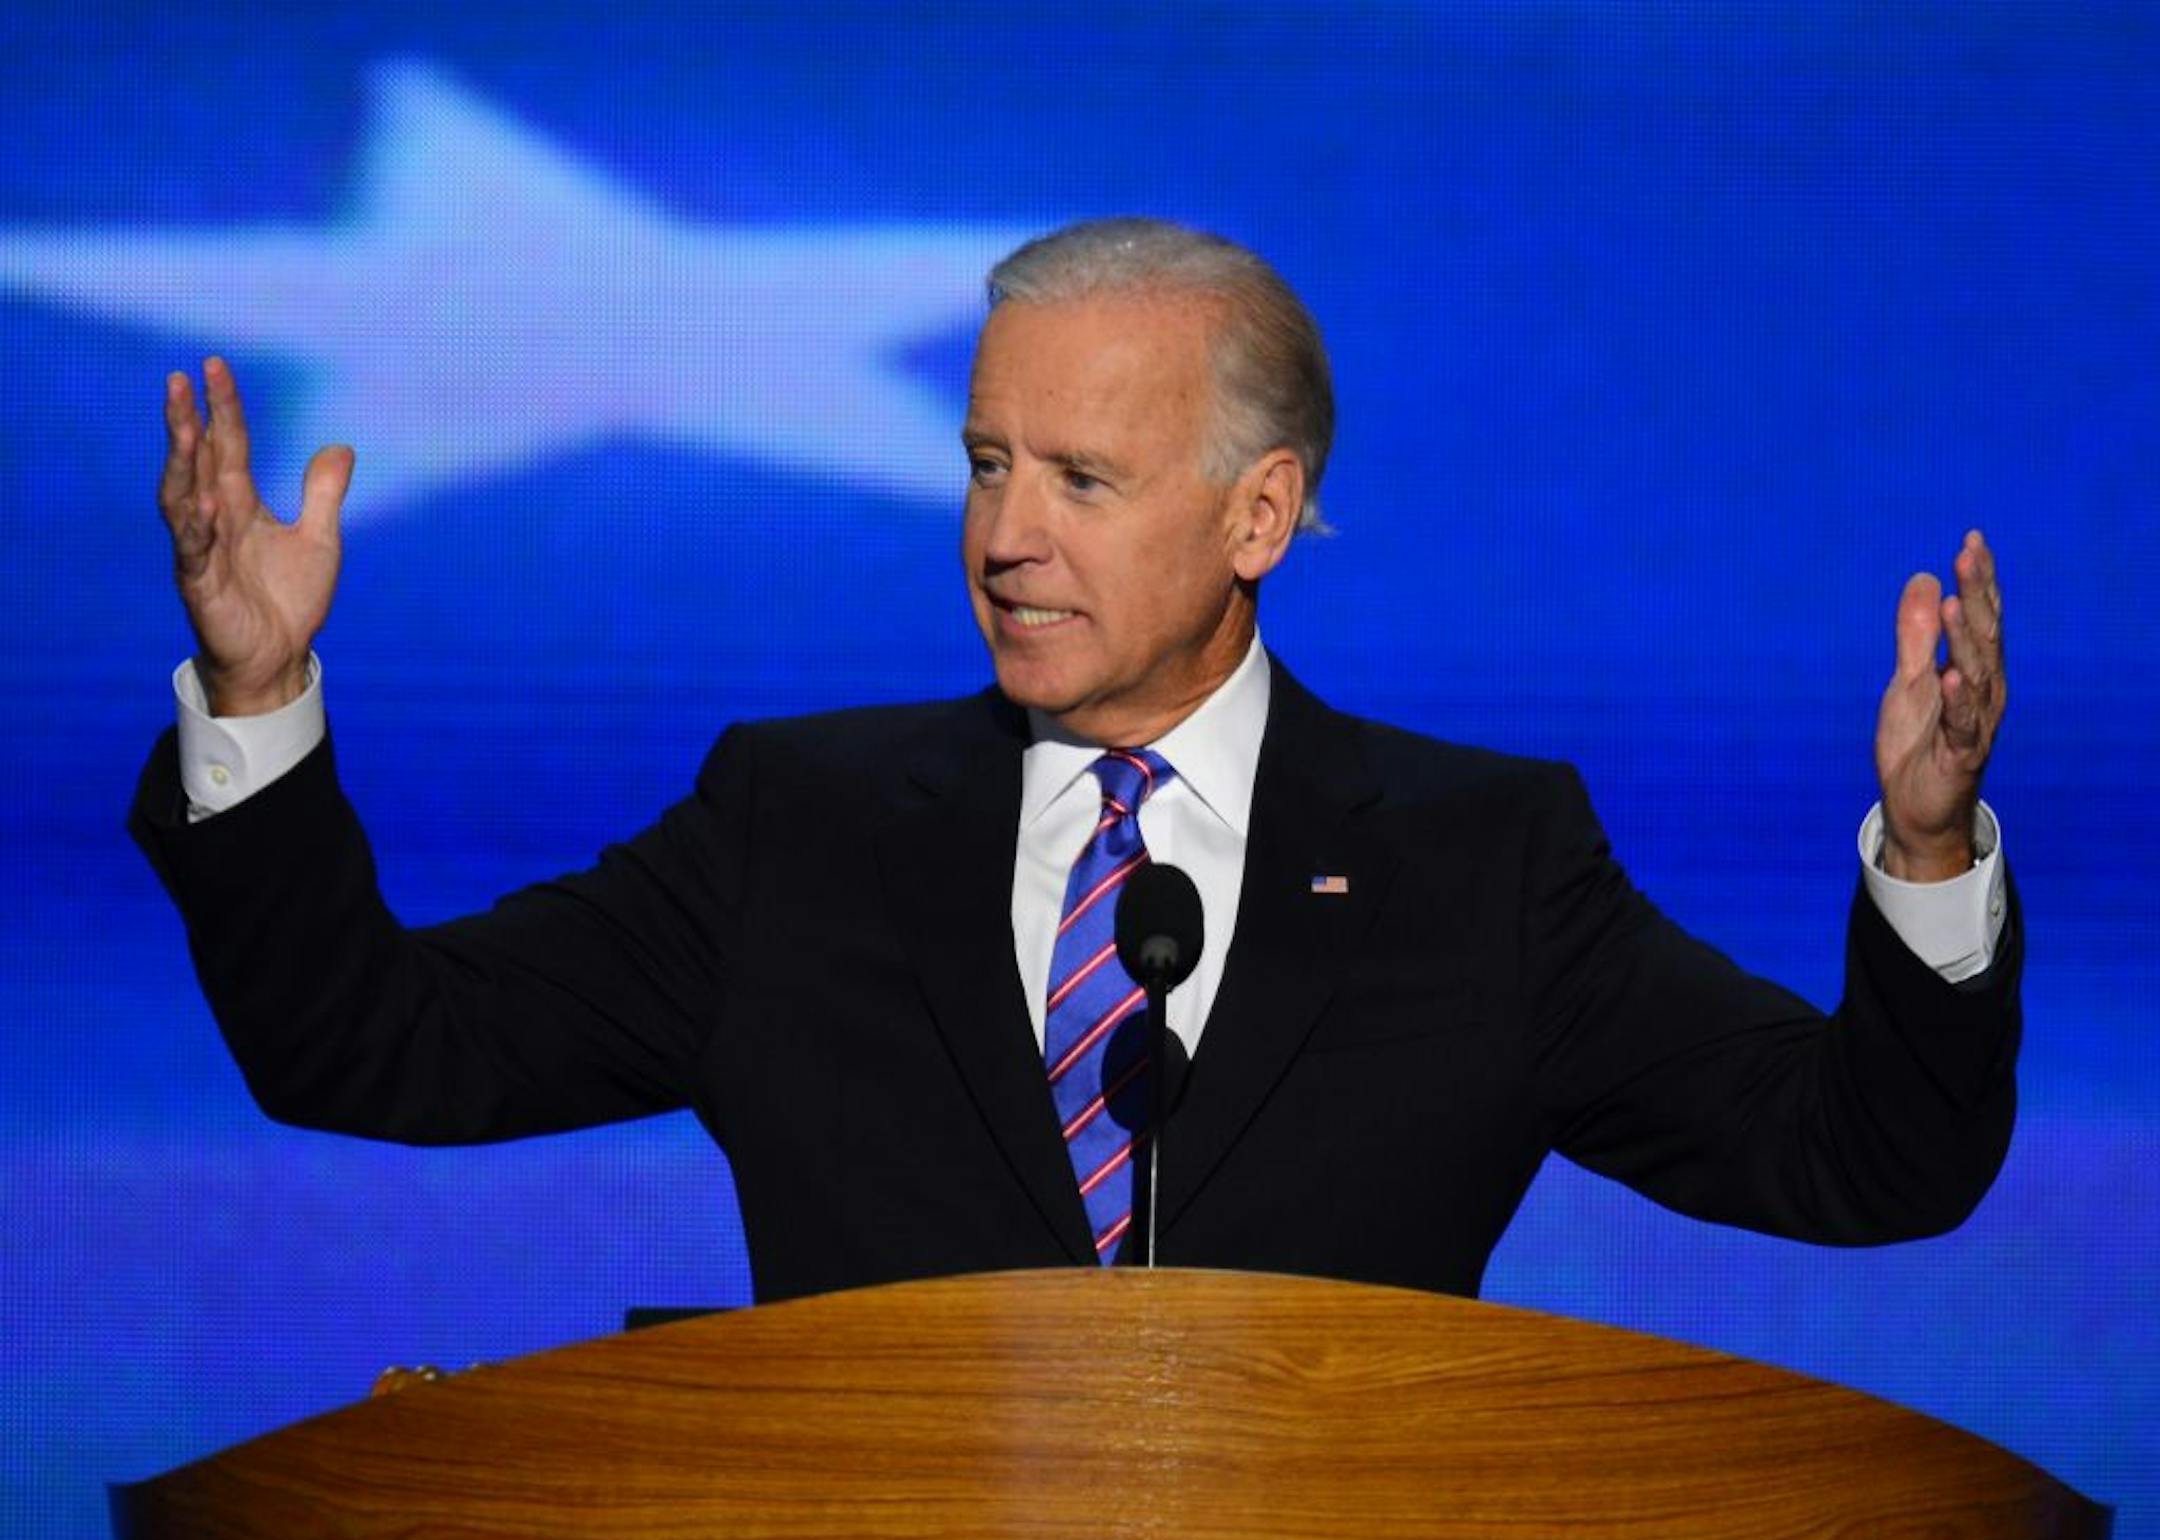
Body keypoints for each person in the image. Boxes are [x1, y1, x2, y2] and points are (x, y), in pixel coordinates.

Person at [133, 219, 2016, 1305]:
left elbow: (1865, 1158)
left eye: (1082, 480)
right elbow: (363, 1042)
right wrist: (260, 698)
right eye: (982, 463)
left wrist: (1928, 860)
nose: (1003, 535)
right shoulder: (794, 829)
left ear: (1260, 513)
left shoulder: (1483, 862)